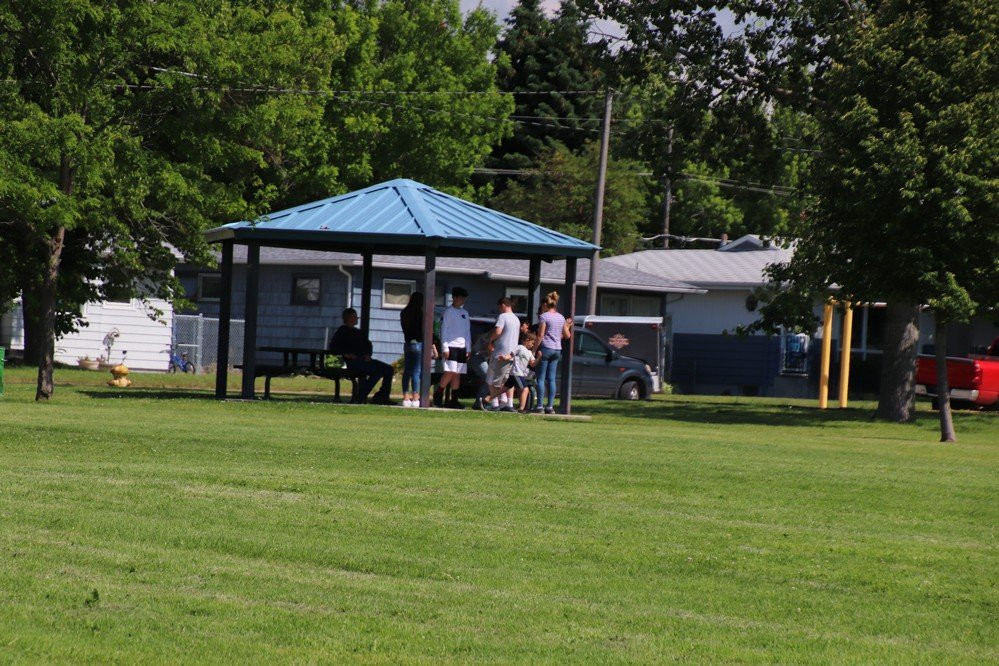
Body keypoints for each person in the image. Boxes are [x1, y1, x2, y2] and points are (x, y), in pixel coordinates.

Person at [328, 308, 394, 405]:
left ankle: (382, 396)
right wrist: (346, 354)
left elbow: (368, 345)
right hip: (352, 362)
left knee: (388, 369)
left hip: (364, 359)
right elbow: (333, 347)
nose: (357, 318)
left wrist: (368, 354)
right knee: (377, 371)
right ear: (349, 318)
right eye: (355, 316)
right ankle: (361, 396)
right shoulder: (342, 331)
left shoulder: (358, 332)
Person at [534, 291, 572, 414]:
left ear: (545, 304)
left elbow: (540, 335)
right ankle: (550, 406)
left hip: (545, 348)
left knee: (540, 378)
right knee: (551, 379)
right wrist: (566, 326)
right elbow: (567, 335)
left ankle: (539, 405)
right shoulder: (560, 317)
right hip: (557, 349)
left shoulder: (544, 316)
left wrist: (534, 349)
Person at [434, 286, 471, 409]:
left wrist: (468, 348)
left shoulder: (465, 313)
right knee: (450, 371)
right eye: (460, 298)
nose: (462, 300)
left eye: (464, 298)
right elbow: (444, 330)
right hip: (451, 345)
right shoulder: (448, 311)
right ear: (454, 297)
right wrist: (445, 347)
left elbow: (467, 332)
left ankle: (454, 400)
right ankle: (438, 393)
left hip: (462, 347)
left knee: (457, 373)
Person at [485, 297, 521, 412]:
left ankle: (494, 403)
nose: (499, 309)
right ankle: (509, 403)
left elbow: (498, 332)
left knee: (493, 378)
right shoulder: (516, 319)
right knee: (507, 380)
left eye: (500, 307)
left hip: (500, 352)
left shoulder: (503, 317)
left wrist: (490, 340)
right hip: (512, 353)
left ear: (503, 305)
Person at [498, 331, 538, 413]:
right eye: (532, 343)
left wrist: (539, 358)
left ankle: (487, 399)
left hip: (519, 374)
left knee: (503, 390)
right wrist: (505, 358)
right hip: (517, 373)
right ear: (527, 340)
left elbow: (533, 364)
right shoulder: (519, 347)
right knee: (525, 389)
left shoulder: (529, 352)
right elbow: (511, 355)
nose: (533, 345)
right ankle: (521, 408)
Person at [399, 292, 425, 408]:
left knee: (407, 371)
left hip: (408, 343)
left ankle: (405, 397)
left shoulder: (404, 312)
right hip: (419, 343)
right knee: (416, 371)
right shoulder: (421, 313)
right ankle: (415, 397)